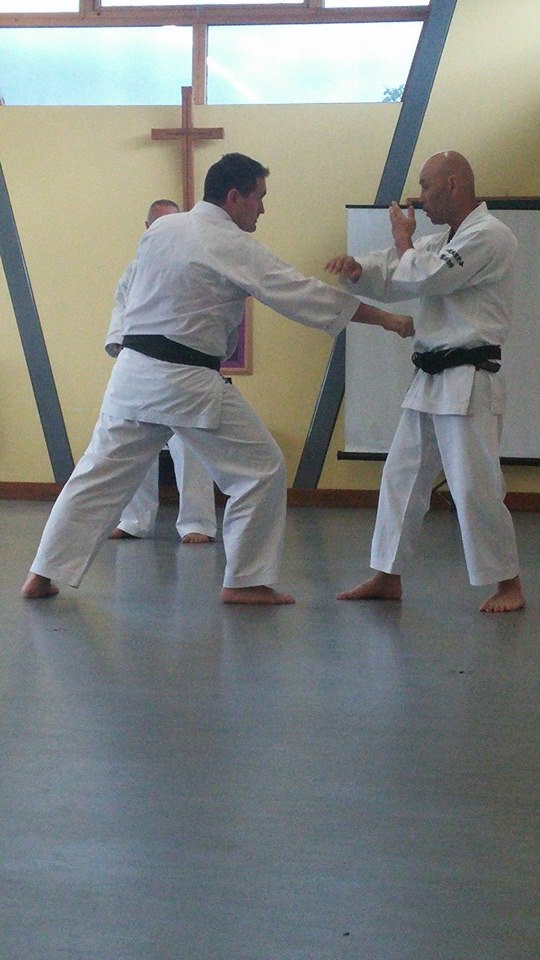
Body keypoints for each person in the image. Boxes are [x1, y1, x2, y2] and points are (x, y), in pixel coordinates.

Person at [22, 152, 413, 606]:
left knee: (96, 478)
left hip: (131, 376)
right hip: (185, 380)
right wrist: (385, 319)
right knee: (261, 469)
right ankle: (245, 581)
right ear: (233, 196)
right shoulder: (231, 243)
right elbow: (300, 294)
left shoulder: (162, 229)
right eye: (259, 197)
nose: (263, 208)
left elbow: (136, 292)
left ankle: (41, 574)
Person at [327, 150, 525, 614]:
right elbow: (400, 272)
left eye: (426, 186)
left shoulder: (489, 235)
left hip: (469, 378)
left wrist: (403, 240)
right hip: (431, 377)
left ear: (454, 184)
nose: (420, 197)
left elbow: (427, 276)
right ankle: (387, 575)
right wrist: (360, 270)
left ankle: (509, 584)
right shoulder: (444, 240)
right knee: (402, 476)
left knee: (474, 486)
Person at [106, 199, 217, 545]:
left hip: (184, 369)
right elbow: (121, 309)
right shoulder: (135, 269)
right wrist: (121, 345)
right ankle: (133, 520)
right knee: (134, 448)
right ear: (147, 228)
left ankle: (197, 523)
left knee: (190, 448)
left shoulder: (195, 264)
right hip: (142, 368)